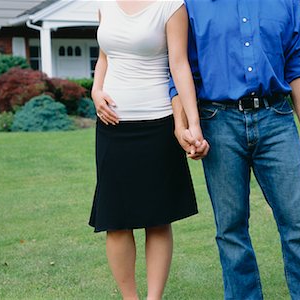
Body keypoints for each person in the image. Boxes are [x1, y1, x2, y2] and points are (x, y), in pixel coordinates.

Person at [170, 0, 300, 299]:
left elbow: (297, 61)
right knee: (231, 229)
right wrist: (182, 124)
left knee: (298, 225)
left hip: (276, 119)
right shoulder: (190, 4)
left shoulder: (287, 2)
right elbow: (178, 67)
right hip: (217, 121)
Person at [88, 1, 207, 299]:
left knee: (157, 218)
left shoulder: (171, 5)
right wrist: (95, 90)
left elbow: (179, 65)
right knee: (115, 220)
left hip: (157, 124)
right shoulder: (104, 4)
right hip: (112, 127)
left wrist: (193, 122)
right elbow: (105, 57)